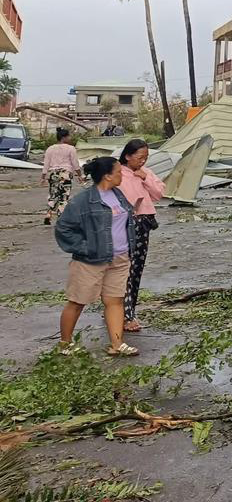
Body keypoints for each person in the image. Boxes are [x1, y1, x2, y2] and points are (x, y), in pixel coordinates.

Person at [54, 156, 139, 356]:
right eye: (118, 172)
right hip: (90, 261)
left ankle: (117, 344)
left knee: (115, 301)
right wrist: (85, 247)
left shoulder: (117, 194)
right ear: (107, 176)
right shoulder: (83, 200)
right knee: (77, 301)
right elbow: (63, 228)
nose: (122, 176)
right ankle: (65, 344)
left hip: (119, 258)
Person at [117, 138, 165, 333]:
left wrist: (144, 176)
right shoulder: (117, 173)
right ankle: (123, 313)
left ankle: (127, 310)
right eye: (139, 157)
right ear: (127, 156)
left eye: (146, 157)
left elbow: (159, 193)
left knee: (136, 268)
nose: (143, 161)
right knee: (123, 269)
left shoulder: (145, 173)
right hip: (123, 224)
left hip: (143, 224)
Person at [41, 127, 83, 224]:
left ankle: (48, 213)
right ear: (64, 137)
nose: (70, 138)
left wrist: (43, 177)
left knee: (53, 194)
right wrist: (80, 175)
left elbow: (46, 164)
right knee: (64, 197)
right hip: (65, 174)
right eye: (69, 136)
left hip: (53, 174)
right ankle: (60, 218)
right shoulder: (71, 148)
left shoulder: (50, 149)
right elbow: (75, 164)